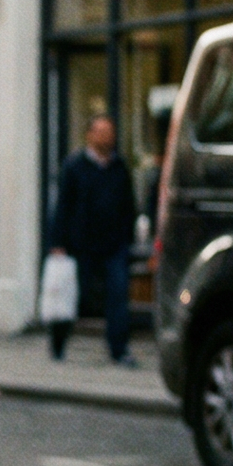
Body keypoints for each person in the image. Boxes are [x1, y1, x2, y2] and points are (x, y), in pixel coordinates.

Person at [49, 112, 138, 365]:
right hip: (81, 245)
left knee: (118, 297)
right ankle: (58, 342)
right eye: (100, 132)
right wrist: (58, 243)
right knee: (73, 295)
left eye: (109, 132)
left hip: (114, 245)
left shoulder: (119, 167)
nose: (106, 137)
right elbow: (63, 207)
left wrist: (127, 237)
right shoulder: (74, 166)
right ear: (89, 135)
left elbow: (128, 205)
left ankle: (119, 350)